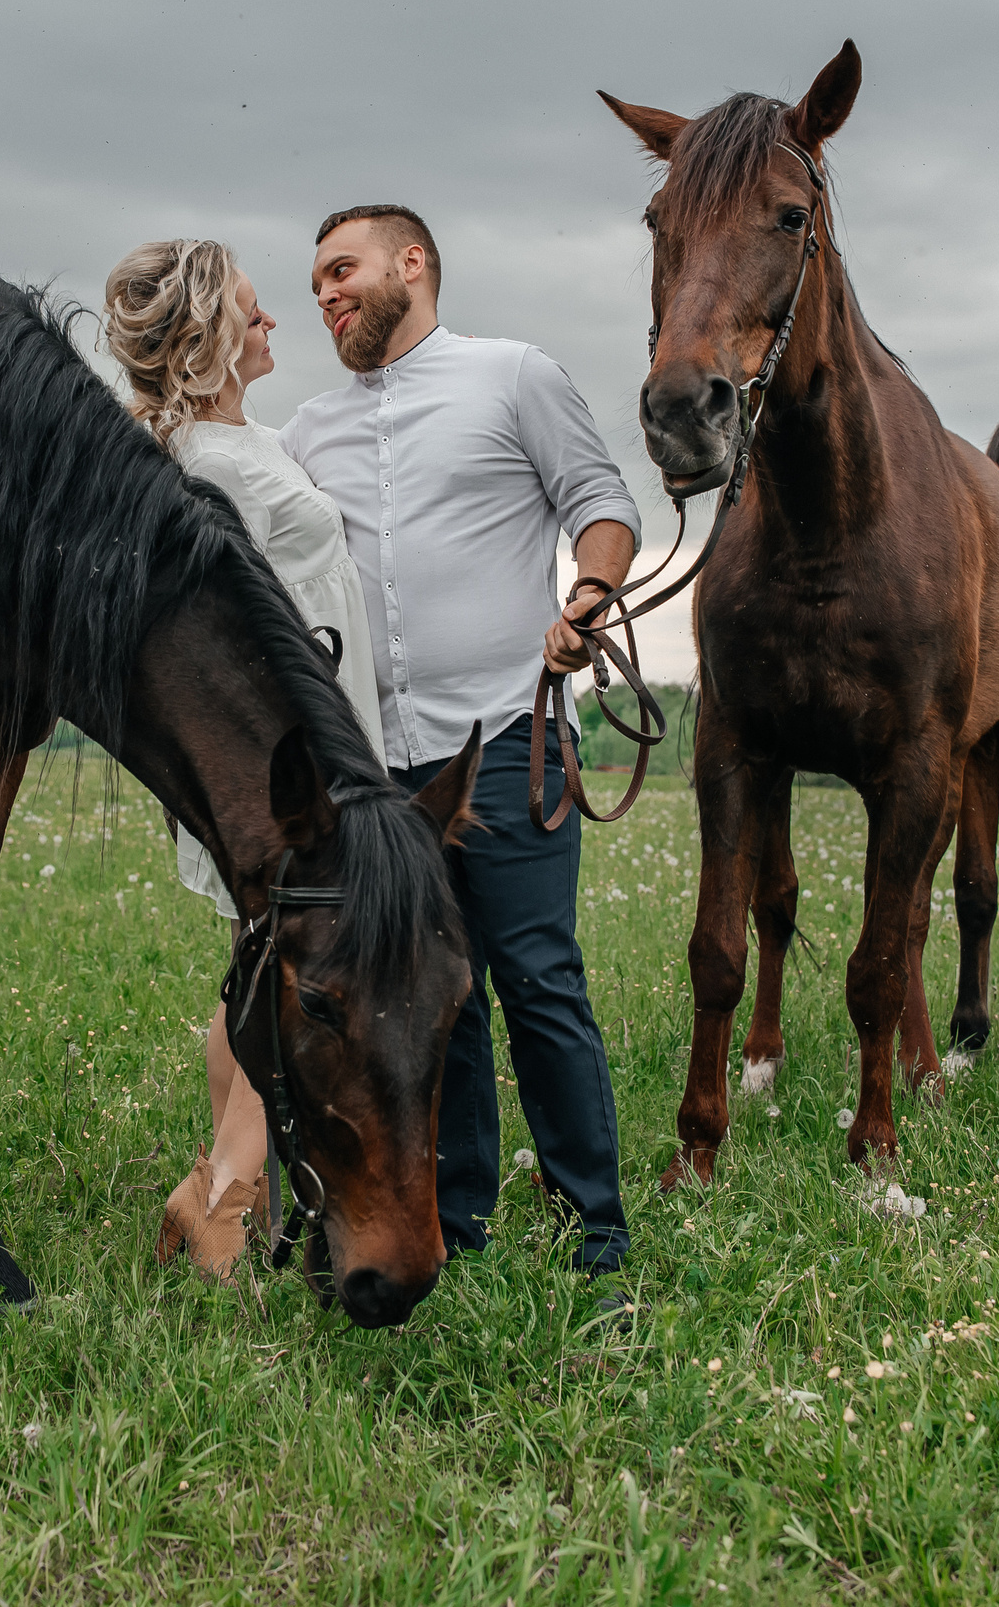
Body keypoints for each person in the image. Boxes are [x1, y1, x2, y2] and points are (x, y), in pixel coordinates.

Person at [278, 205, 642, 1282]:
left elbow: (603, 503)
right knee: (435, 1001)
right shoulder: (308, 431)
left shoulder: (513, 376)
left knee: (538, 978)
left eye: (341, 269)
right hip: (376, 771)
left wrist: (587, 599)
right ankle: (462, 1221)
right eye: (315, 283)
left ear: (413, 262)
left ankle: (596, 1230)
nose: (326, 293)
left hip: (509, 736)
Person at [102, 238, 382, 1283]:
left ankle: (230, 1188)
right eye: (254, 310)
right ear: (209, 337)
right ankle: (225, 1192)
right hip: (283, 757)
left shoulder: (238, 441)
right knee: (295, 966)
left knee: (255, 961)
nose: (272, 323)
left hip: (311, 739)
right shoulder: (204, 468)